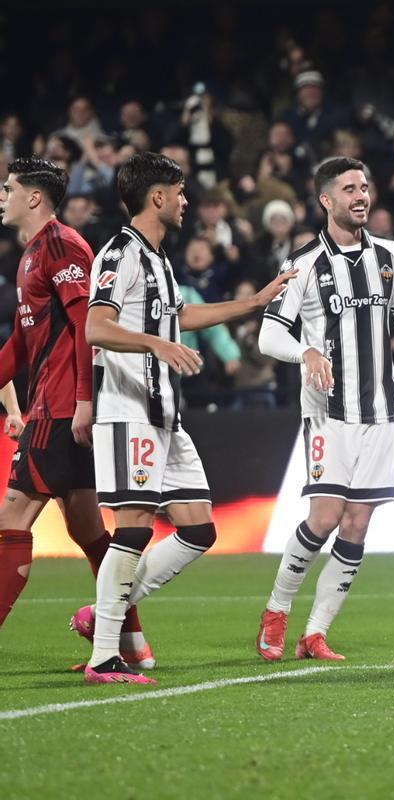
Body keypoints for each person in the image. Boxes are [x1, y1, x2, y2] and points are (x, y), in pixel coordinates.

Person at [79, 152, 294, 684]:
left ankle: (101, 613)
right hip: (130, 412)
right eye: (179, 192)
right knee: (132, 529)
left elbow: (178, 317)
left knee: (198, 528)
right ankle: (105, 654)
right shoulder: (119, 253)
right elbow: (96, 327)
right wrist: (157, 344)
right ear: (157, 197)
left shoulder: (160, 259)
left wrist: (253, 303)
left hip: (165, 418)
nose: (185, 202)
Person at [254, 157, 394, 662]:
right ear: (326, 201)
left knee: (357, 524)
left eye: (365, 186)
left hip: (379, 412)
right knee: (323, 517)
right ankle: (277, 609)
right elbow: (269, 334)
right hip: (327, 412)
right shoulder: (303, 263)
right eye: (349, 188)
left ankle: (315, 633)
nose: (361, 195)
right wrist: (307, 351)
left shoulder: (391, 255)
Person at [0, 159, 147, 664]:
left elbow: (90, 328)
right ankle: (133, 644)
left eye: (9, 188)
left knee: (10, 520)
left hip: (60, 409)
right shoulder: (30, 254)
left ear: (34, 198)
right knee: (88, 531)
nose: (2, 196)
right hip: (57, 407)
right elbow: (20, 345)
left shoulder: (63, 246)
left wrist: (84, 401)